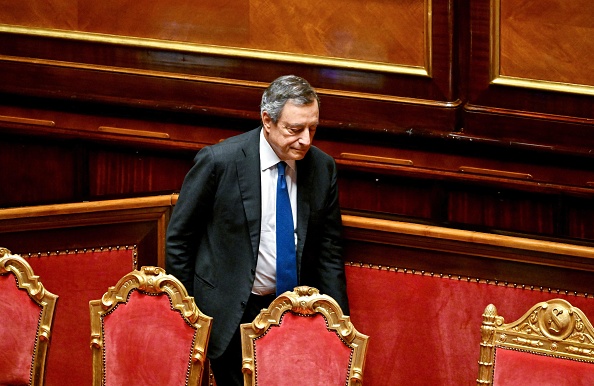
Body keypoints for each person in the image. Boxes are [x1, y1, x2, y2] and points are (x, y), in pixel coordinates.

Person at [165, 75, 349, 385]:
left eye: (312, 128)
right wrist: (189, 316)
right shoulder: (218, 162)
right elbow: (179, 241)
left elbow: (329, 252)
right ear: (267, 120)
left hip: (295, 315)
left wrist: (339, 326)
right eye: (294, 130)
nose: (305, 140)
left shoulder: (322, 168)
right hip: (228, 314)